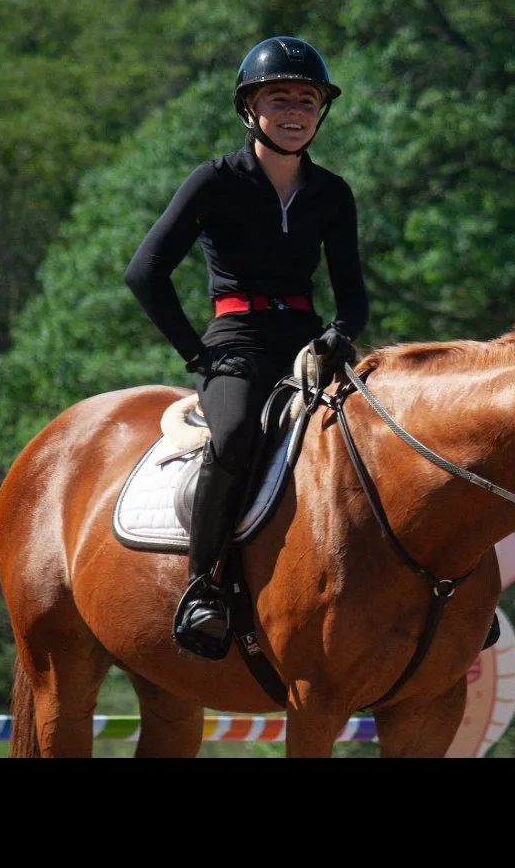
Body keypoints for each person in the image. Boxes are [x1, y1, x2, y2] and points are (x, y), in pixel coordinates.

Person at [124, 35, 369, 661]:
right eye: (279, 97)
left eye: (307, 99)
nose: (295, 110)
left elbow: (353, 297)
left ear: (322, 112)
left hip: (309, 343)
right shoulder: (215, 180)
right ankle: (203, 587)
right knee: (234, 437)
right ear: (250, 108)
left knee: (385, 434)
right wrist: (197, 357)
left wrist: (338, 336)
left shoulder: (332, 194)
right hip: (235, 342)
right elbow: (144, 273)